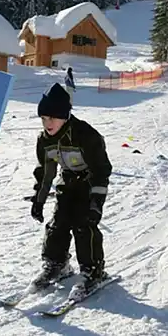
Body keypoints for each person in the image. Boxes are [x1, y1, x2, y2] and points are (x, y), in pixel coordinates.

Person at [28, 82, 113, 297]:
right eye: (43, 118)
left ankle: (94, 271)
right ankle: (57, 265)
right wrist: (38, 200)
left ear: (65, 116)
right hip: (67, 182)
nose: (47, 123)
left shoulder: (86, 134)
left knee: (84, 225)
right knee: (58, 224)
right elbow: (45, 172)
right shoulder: (45, 140)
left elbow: (101, 170)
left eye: (52, 118)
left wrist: (96, 203)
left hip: (89, 183)